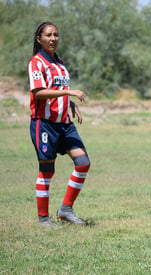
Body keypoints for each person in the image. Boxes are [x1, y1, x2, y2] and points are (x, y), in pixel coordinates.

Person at [28, 22, 90, 227]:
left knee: (83, 163)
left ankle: (65, 209)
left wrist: (70, 104)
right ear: (39, 39)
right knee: (47, 171)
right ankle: (44, 218)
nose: (53, 38)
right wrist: (68, 93)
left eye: (56, 35)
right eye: (48, 35)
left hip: (65, 124)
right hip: (44, 124)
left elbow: (58, 89)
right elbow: (38, 93)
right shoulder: (36, 63)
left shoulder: (60, 63)